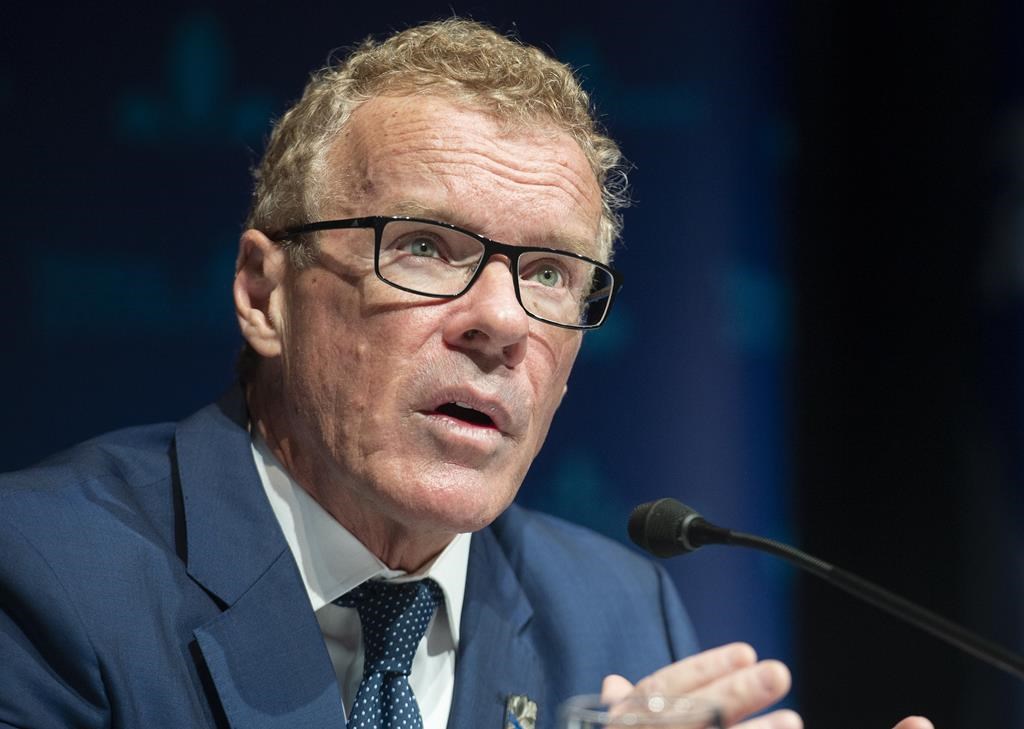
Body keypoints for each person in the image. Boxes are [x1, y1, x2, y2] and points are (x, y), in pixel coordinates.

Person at [0, 19, 931, 729]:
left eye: (550, 274)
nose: (501, 322)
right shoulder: (44, 577)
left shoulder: (617, 612)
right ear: (264, 294)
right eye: (425, 247)